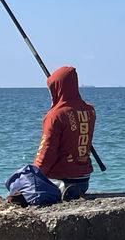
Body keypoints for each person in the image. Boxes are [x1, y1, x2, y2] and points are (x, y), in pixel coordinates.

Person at [33, 65, 96, 198]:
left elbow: (46, 153)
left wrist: (34, 177)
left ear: (57, 88)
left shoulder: (55, 116)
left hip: (61, 184)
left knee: (19, 180)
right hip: (83, 183)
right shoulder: (90, 111)